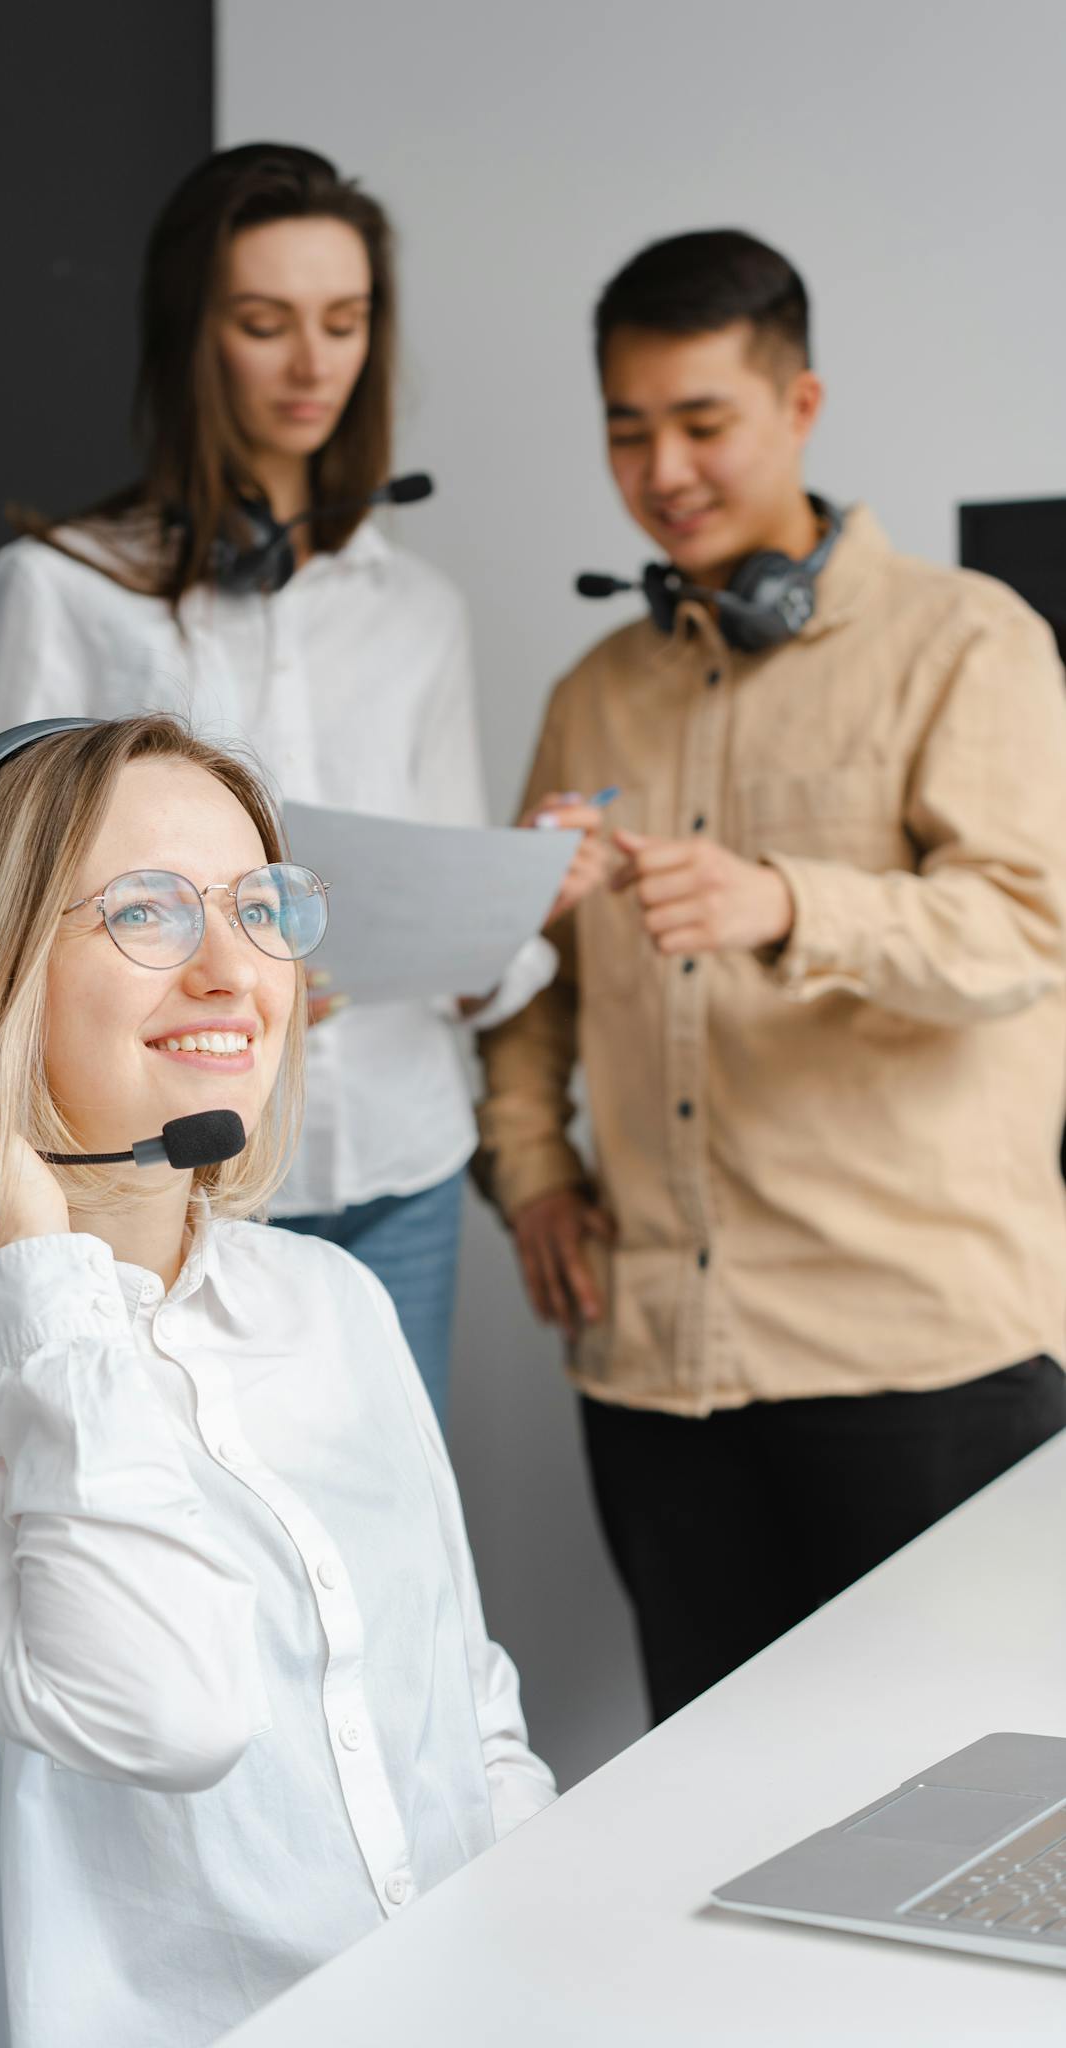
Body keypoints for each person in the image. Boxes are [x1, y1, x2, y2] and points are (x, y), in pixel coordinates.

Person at [0, 715, 556, 2048]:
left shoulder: (326, 1303)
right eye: (147, 911)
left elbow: (471, 1724)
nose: (231, 972)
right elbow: (164, 1710)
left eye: (261, 911)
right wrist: (35, 1262)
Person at [477, 228, 1066, 1725]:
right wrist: (535, 1168)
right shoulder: (590, 692)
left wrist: (785, 900)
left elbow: (1025, 936)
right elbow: (526, 975)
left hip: (917, 1354)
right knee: (704, 1809)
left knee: (944, 1807)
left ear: (799, 408)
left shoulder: (968, 641)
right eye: (627, 428)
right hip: (655, 1365)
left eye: (700, 422)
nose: (660, 468)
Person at [0, 143, 593, 1428]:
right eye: (266, 324)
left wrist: (510, 906)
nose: (314, 365)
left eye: (345, 323)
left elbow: (474, 950)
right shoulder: (66, 586)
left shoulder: (419, 607)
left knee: (381, 1532)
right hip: (167, 1168)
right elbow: (11, 928)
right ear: (195, 337)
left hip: (404, 1157)